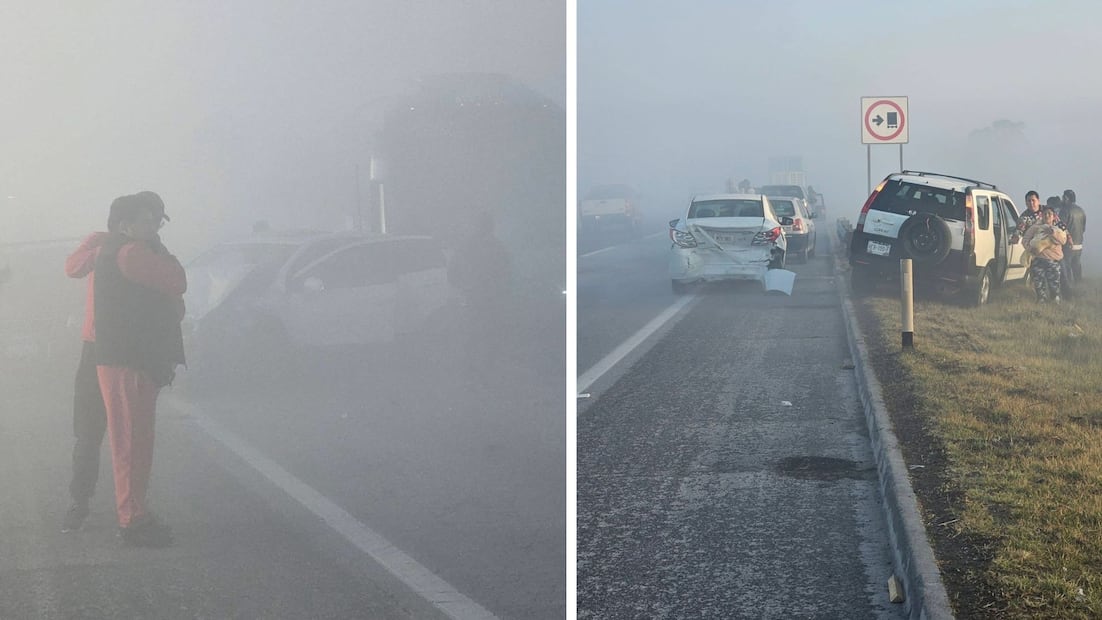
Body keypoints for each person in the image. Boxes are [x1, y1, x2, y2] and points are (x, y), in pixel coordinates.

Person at [94, 193, 186, 546]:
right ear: (124, 225)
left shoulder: (125, 250)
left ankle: (137, 512)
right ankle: (131, 518)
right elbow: (177, 281)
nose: (154, 226)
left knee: (136, 440)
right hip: (128, 360)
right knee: (131, 441)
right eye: (147, 220)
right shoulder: (132, 253)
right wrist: (165, 256)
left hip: (130, 358)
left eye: (156, 221)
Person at [61, 196, 131, 531]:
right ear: (119, 224)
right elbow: (72, 267)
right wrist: (98, 249)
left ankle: (132, 508)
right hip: (94, 347)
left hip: (127, 349)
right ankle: (80, 498)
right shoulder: (101, 244)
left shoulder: (142, 253)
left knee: (128, 431)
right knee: (88, 429)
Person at [1022, 206, 1068, 304]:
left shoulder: (1059, 228)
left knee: (1054, 283)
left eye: (1049, 214)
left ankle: (1055, 299)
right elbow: (1025, 240)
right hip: (1038, 260)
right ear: (1041, 215)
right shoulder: (1035, 227)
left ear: (1054, 216)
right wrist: (1031, 249)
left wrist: (1053, 233)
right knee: (1038, 282)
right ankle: (1041, 299)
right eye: (1045, 214)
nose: (1047, 216)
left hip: (1053, 261)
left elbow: (1063, 241)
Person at [1059, 189, 1086, 286]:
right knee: (1077, 267)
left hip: (1068, 245)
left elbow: (1061, 227)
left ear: (1066, 198)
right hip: (1079, 245)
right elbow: (1083, 228)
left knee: (1066, 268)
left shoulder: (1065, 210)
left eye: (1063, 197)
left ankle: (1069, 291)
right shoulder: (1081, 210)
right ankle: (1079, 288)